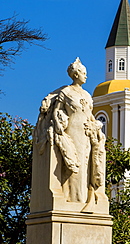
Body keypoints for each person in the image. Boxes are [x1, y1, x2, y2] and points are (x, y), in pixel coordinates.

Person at [33, 58, 105, 204]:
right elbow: (57, 110)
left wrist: (97, 124)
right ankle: (72, 198)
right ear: (76, 74)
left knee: (86, 164)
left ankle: (84, 197)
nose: (86, 76)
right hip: (73, 130)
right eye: (84, 73)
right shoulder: (66, 92)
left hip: (87, 133)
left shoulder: (87, 95)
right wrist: (58, 125)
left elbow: (89, 114)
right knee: (73, 164)